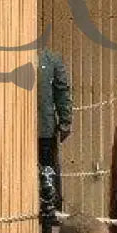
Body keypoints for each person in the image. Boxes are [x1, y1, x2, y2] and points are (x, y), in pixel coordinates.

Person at [39, 48, 73, 209]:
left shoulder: (51, 59)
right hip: (45, 125)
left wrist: (65, 121)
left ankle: (51, 208)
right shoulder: (51, 58)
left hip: (42, 126)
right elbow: (62, 91)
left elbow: (61, 91)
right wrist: (65, 121)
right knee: (49, 168)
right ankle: (53, 209)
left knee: (47, 167)